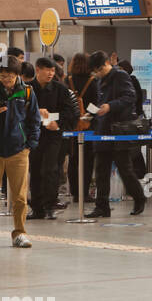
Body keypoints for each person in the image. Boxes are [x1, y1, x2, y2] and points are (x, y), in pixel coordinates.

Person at [0, 57, 40, 248]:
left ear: (18, 75)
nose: (6, 79)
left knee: (20, 196)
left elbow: (34, 119)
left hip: (18, 150)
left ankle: (19, 233)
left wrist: (30, 144)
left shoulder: (27, 91)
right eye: (2, 76)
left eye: (10, 76)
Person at [85, 51, 147, 218]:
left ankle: (139, 198)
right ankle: (102, 206)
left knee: (125, 169)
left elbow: (130, 97)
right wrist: (91, 113)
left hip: (118, 131)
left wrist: (110, 106)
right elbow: (100, 101)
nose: (96, 74)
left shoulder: (120, 76)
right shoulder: (100, 80)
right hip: (102, 130)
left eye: (98, 70)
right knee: (100, 171)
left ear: (106, 64)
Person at [28, 57, 78, 221]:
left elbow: (70, 112)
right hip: (34, 135)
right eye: (47, 70)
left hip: (53, 136)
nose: (50, 73)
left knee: (50, 169)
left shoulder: (60, 89)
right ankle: (36, 208)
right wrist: (36, 111)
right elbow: (18, 108)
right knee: (34, 170)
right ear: (38, 69)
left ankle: (50, 206)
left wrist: (57, 123)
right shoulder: (28, 89)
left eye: (52, 71)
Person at [65, 51, 99, 206]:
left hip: (71, 125)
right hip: (88, 127)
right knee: (87, 160)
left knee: (73, 159)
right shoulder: (93, 81)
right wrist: (88, 116)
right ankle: (83, 193)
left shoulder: (67, 80)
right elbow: (96, 103)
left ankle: (73, 192)